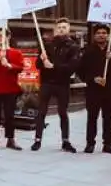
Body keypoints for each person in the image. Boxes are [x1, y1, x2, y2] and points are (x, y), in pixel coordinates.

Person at [32, 18, 79, 153]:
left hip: (62, 84)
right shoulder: (47, 45)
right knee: (41, 112)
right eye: (59, 27)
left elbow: (72, 67)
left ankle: (65, 141)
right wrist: (41, 60)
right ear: (55, 29)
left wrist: (53, 66)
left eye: (64, 27)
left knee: (63, 112)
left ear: (69, 29)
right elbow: (37, 65)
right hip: (46, 83)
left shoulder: (73, 47)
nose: (61, 29)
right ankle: (37, 140)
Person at [79, 24, 111, 155]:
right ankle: (90, 143)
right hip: (93, 91)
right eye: (98, 33)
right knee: (92, 118)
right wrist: (93, 79)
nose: (101, 35)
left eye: (104, 33)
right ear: (94, 35)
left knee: (108, 118)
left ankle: (108, 144)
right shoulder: (88, 52)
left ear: (108, 35)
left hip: (109, 91)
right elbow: (80, 71)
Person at [0, 27, 24, 151]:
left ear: (8, 37)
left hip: (11, 88)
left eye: (1, 36)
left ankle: (10, 140)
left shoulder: (16, 53)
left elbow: (20, 68)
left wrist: (8, 65)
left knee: (9, 115)